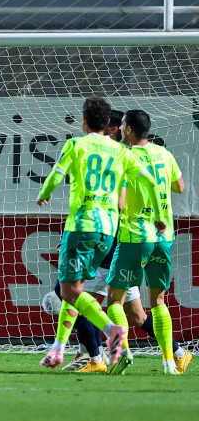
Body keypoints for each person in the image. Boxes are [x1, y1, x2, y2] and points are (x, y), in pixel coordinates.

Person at [36, 96, 166, 370]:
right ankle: (60, 349)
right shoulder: (122, 152)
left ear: (84, 121)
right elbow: (152, 183)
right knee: (76, 290)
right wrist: (159, 216)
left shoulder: (76, 145)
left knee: (68, 291)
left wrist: (44, 195)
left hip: (83, 225)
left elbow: (55, 177)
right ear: (107, 123)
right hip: (109, 234)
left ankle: (106, 337)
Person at [105, 109, 191, 375]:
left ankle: (122, 354)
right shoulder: (164, 153)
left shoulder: (124, 156)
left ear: (129, 129)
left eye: (122, 125)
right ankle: (170, 363)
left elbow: (120, 202)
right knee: (158, 301)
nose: (120, 129)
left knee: (114, 301)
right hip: (164, 236)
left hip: (135, 234)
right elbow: (180, 186)